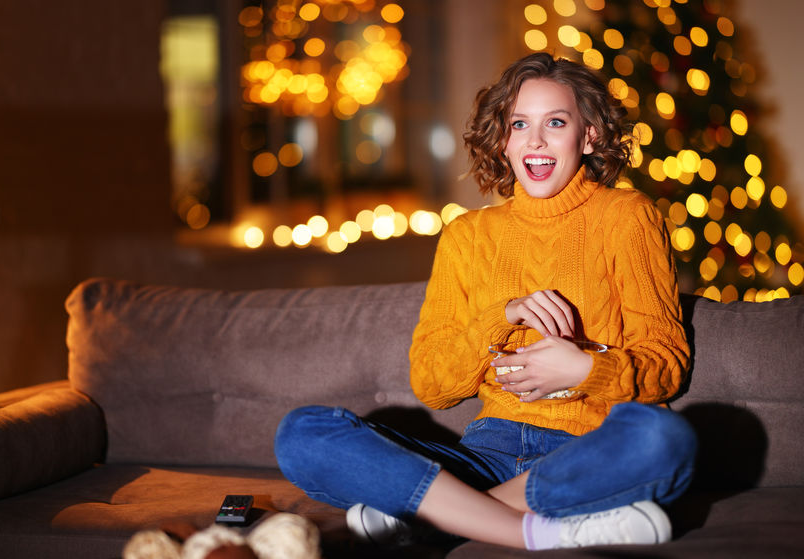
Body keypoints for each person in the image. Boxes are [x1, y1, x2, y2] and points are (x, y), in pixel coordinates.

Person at [274, 52, 697, 550]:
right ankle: (534, 530)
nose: (535, 140)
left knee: (664, 438)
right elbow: (432, 383)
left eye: (555, 122)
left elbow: (667, 364)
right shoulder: (467, 236)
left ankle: (436, 513)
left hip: (589, 449)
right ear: (503, 139)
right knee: (302, 434)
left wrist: (584, 370)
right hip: (485, 451)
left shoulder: (628, 217)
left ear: (590, 136)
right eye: (520, 124)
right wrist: (501, 317)